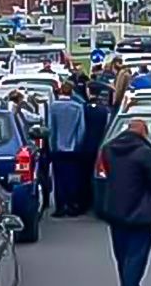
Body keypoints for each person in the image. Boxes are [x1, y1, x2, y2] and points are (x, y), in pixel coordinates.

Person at [99, 119, 151, 286]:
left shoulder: (109, 149)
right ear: (144, 132)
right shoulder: (145, 152)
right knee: (137, 256)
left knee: (122, 255)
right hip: (142, 212)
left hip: (115, 210)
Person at [47, 82, 86, 217]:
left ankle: (60, 206)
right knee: (72, 176)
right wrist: (78, 144)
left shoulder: (54, 107)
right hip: (73, 147)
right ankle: (72, 205)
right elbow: (81, 129)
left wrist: (52, 146)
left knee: (59, 178)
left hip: (58, 147)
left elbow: (51, 128)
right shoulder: (77, 107)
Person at [77, 90, 112, 214]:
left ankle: (83, 202)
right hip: (99, 147)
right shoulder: (105, 111)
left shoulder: (83, 109)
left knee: (83, 176)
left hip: (85, 147)